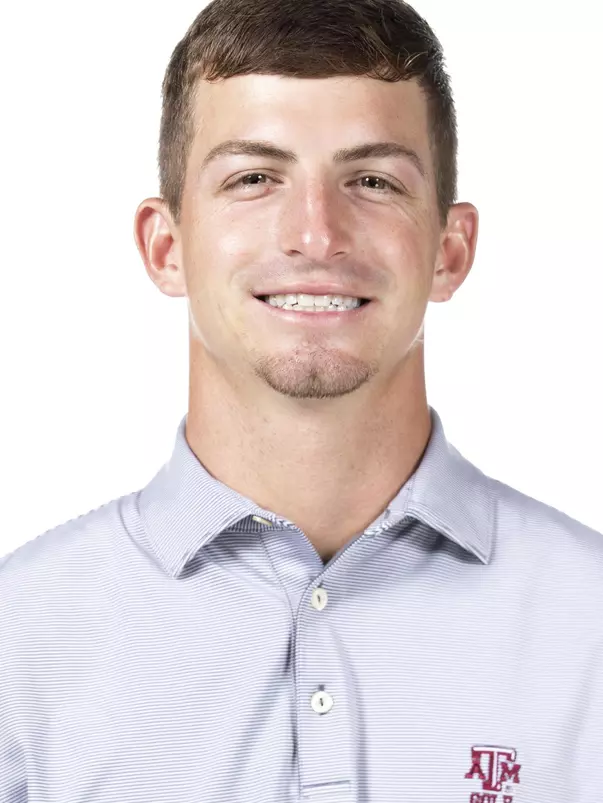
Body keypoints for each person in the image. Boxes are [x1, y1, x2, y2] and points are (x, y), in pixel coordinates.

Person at [1, 0, 602, 800]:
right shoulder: (21, 640)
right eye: (253, 178)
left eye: (372, 180)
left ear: (450, 251)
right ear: (165, 246)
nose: (316, 234)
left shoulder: (588, 627)